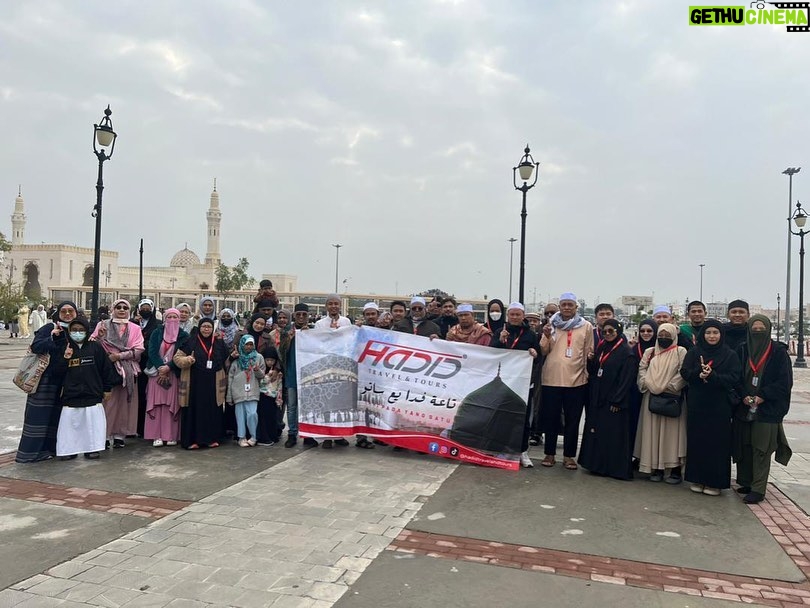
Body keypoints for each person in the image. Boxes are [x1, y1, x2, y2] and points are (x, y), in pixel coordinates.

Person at [733, 315, 793, 504]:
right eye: (754, 329)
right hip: (744, 406)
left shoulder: (778, 352)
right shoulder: (742, 350)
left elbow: (785, 382)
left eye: (761, 329)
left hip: (768, 409)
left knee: (761, 448)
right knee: (744, 445)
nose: (757, 332)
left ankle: (758, 488)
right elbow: (736, 377)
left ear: (768, 330)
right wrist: (743, 395)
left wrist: (763, 396)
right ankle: (746, 481)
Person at [680, 319, 741, 495]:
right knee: (697, 441)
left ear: (721, 335)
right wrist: (698, 374)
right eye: (708, 333)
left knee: (717, 444)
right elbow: (684, 372)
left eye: (715, 332)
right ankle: (697, 479)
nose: (711, 336)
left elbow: (734, 378)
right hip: (698, 403)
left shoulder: (730, 355)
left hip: (719, 405)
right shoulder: (694, 352)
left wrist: (713, 375)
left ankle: (715, 482)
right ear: (702, 335)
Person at [15, 301, 78, 462]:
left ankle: (51, 450)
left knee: (57, 418)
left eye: (71, 311)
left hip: (65, 381)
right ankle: (29, 454)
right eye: (64, 311)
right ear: (58, 313)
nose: (68, 314)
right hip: (45, 380)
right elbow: (36, 346)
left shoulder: (77, 330)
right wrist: (52, 338)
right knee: (38, 417)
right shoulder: (49, 328)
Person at [539, 293, 594, 470]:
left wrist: (586, 375)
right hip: (551, 379)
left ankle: (569, 456)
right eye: (564, 304)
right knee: (551, 419)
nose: (567, 307)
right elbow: (543, 350)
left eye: (570, 304)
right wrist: (546, 336)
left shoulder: (586, 326)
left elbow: (588, 352)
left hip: (577, 380)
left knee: (573, 419)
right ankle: (549, 453)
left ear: (576, 307)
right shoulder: (551, 325)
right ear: (560, 306)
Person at [578, 319, 637, 480]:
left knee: (613, 435)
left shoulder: (626, 352)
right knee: (598, 432)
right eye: (605, 331)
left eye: (611, 331)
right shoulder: (602, 347)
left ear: (619, 331)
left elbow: (626, 380)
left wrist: (618, 401)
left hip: (613, 400)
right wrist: (591, 360)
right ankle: (596, 465)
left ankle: (613, 469)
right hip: (598, 397)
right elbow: (595, 371)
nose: (608, 334)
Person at [56, 317, 116, 460]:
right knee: (70, 425)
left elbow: (106, 370)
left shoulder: (96, 348)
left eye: (81, 330)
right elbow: (56, 373)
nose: (78, 333)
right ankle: (68, 450)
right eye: (74, 330)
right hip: (71, 395)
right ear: (69, 331)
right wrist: (65, 358)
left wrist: (107, 389)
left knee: (92, 425)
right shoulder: (65, 347)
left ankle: (92, 449)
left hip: (92, 393)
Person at [635, 322, 688, 483]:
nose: (664, 338)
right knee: (652, 433)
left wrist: (668, 387)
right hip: (651, 398)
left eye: (667, 336)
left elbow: (682, 372)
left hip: (671, 398)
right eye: (661, 335)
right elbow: (642, 370)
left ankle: (674, 469)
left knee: (673, 436)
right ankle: (656, 468)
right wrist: (650, 384)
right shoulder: (649, 352)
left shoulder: (680, 352)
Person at [490, 302, 539, 468]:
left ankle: (522, 451)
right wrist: (500, 341)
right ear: (508, 316)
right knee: (501, 416)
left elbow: (537, 356)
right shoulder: (499, 332)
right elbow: (491, 353)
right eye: (512, 314)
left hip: (523, 384)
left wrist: (534, 353)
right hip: (503, 382)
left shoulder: (530, 335)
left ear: (523, 316)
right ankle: (500, 449)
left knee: (523, 418)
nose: (515, 317)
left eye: (518, 314)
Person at [92, 299, 145, 448]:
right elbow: (92, 344)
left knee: (125, 404)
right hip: (107, 369)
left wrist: (119, 356)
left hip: (128, 371)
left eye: (125, 307)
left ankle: (120, 435)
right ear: (112, 309)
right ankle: (104, 434)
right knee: (107, 403)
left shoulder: (135, 328)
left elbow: (139, 350)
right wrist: (100, 337)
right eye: (118, 307)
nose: (121, 310)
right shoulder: (102, 325)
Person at [174, 318, 228, 449]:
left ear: (213, 328)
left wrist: (233, 356)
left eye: (209, 327)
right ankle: (192, 441)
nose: (206, 329)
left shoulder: (219, 343)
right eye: (203, 326)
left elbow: (226, 359)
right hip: (194, 383)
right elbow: (177, 358)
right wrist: (188, 359)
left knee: (212, 411)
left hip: (212, 383)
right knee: (194, 410)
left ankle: (211, 439)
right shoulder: (190, 341)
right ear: (199, 327)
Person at [144, 308, 188, 447]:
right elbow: (151, 351)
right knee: (156, 405)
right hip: (156, 374)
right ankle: (156, 435)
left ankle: (171, 435)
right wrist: (160, 368)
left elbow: (182, 354)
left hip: (173, 374)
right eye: (170, 316)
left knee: (171, 405)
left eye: (176, 316)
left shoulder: (184, 335)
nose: (172, 319)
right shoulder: (157, 332)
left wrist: (169, 367)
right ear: (164, 318)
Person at [279, 303, 309, 447]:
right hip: (291, 374)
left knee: (306, 406)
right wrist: (290, 339)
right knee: (291, 406)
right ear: (294, 316)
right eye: (298, 314)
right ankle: (292, 433)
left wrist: (309, 335)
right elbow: (281, 353)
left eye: (304, 314)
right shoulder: (287, 332)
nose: (301, 317)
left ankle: (308, 434)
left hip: (308, 376)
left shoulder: (312, 331)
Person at [227, 335, 266, 447]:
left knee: (252, 414)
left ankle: (253, 436)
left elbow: (262, 375)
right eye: (246, 344)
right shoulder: (236, 358)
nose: (248, 347)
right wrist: (229, 397)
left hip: (252, 391)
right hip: (238, 392)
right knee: (240, 416)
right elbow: (230, 377)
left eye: (251, 344)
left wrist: (257, 370)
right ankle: (242, 437)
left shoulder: (258, 357)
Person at [628, 318, 658, 457]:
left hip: (653, 392)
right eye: (642, 331)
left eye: (649, 331)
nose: (646, 333)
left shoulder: (659, 350)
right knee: (635, 425)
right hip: (635, 393)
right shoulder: (634, 348)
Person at [133, 298, 161, 437]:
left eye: (148, 307)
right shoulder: (133, 323)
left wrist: (142, 347)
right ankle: (134, 427)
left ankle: (145, 427)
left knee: (147, 395)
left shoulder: (158, 325)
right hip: (133, 363)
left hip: (150, 364)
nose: (145, 310)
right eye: (142, 307)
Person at [256, 345, 284, 446]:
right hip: (262, 396)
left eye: (272, 360)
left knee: (272, 418)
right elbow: (260, 382)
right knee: (263, 418)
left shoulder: (278, 372)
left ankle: (272, 436)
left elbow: (279, 386)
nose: (270, 362)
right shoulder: (261, 370)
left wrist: (279, 399)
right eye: (267, 360)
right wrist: (267, 377)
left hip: (273, 398)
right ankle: (263, 437)